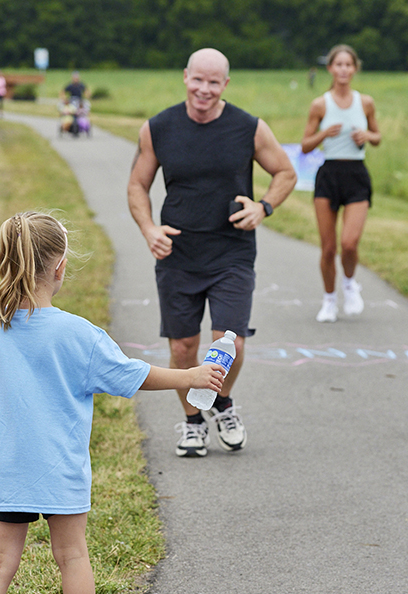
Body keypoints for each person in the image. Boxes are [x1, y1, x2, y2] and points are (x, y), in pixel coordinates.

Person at [0, 211, 224, 594]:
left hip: (8, 469)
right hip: (61, 468)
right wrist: (190, 376)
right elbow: (133, 374)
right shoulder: (78, 333)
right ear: (59, 268)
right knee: (73, 557)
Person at [127, 48, 297, 458]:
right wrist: (149, 229)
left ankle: (220, 402)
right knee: (183, 348)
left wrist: (264, 206)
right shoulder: (158, 128)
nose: (204, 89)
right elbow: (137, 186)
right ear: (185, 77)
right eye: (198, 80)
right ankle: (192, 424)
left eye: (214, 82)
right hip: (178, 254)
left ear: (225, 84)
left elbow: (286, 172)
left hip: (231, 254)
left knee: (230, 343)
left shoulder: (249, 128)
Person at [300, 44, 381, 323]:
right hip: (329, 175)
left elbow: (378, 135)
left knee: (349, 243)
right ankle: (329, 300)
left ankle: (349, 284)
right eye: (339, 65)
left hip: (356, 175)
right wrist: (324, 133)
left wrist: (367, 137)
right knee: (328, 248)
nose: (344, 69)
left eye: (349, 65)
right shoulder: (320, 104)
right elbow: (305, 145)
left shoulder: (365, 102)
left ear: (355, 69)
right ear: (330, 69)